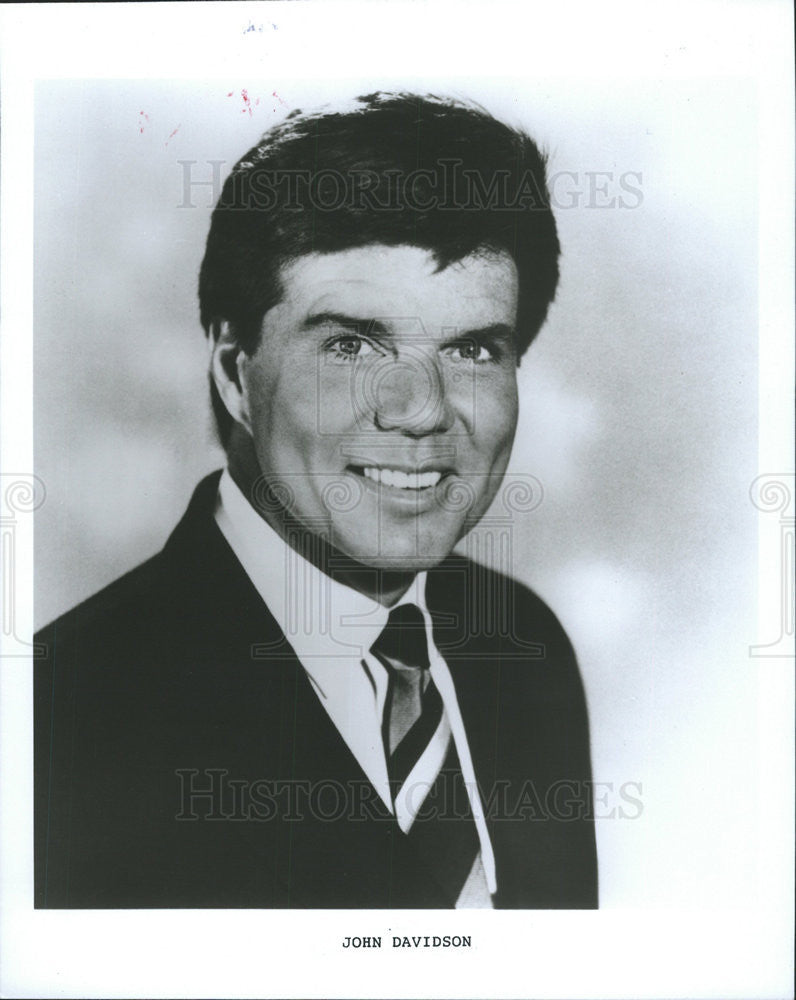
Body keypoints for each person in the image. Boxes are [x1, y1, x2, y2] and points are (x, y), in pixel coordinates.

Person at [34, 92, 598, 909]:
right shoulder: (63, 714)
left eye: (473, 349)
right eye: (351, 345)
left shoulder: (526, 651)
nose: (422, 409)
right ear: (236, 373)